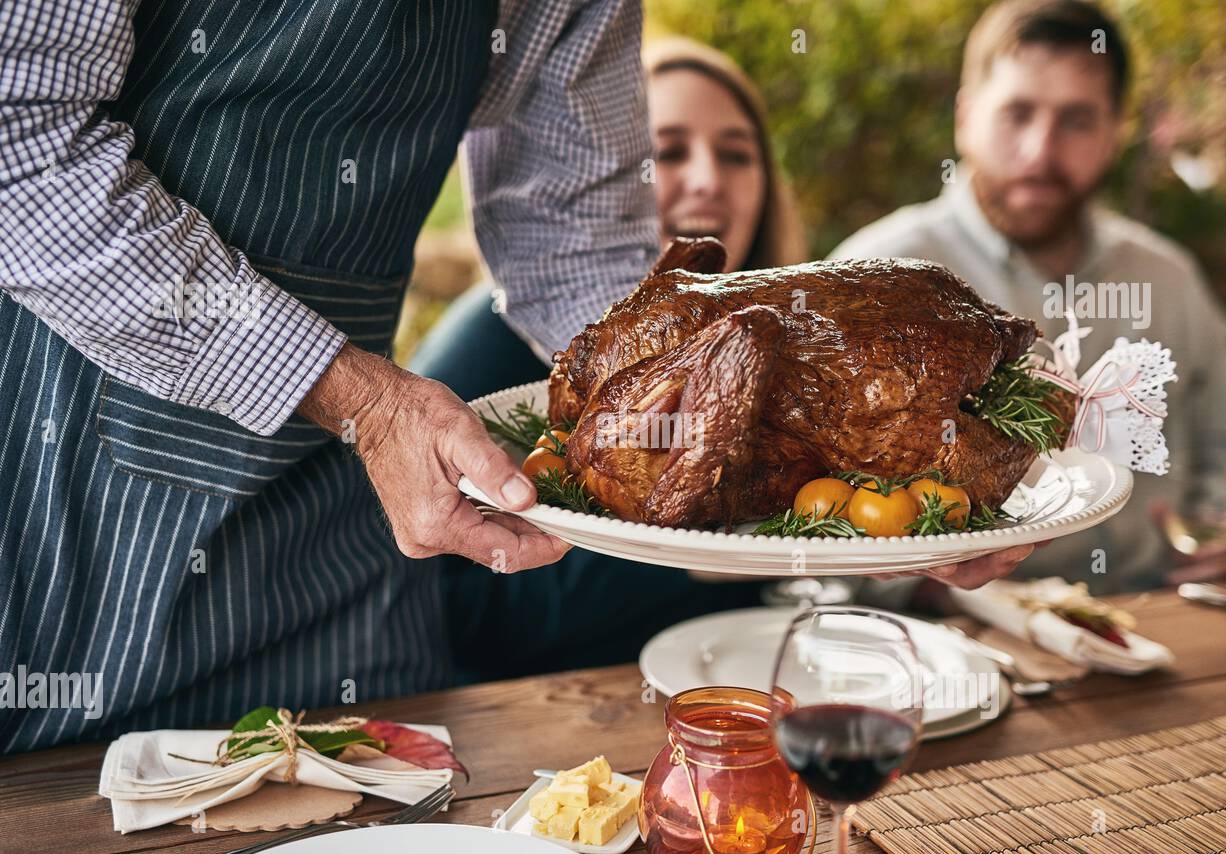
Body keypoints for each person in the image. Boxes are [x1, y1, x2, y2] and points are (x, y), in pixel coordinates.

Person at [0, 0, 650, 753]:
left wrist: (666, 407)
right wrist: (365, 403)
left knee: (396, 809)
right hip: (79, 489)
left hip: (350, 514)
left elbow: (571, 237)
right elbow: (19, 142)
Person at [422, 37, 1040, 683]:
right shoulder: (489, 345)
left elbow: (851, 542)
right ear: (601, 181)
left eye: (736, 154)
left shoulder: (810, 333)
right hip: (559, 704)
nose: (709, 177)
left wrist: (919, 558)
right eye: (668, 151)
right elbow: (458, 612)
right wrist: (715, 545)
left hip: (760, 689)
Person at [832, 0, 1226, 595]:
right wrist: (916, 580)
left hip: (1161, 625)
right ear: (965, 117)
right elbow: (815, 515)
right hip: (945, 646)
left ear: (1115, 133)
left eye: (1076, 120)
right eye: (1017, 113)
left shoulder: (1169, 277)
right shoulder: (873, 278)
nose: (1040, 151)